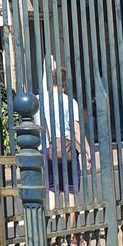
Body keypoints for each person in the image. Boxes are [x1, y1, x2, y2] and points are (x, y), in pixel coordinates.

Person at [41, 64, 89, 198]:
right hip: (66, 147)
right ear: (65, 84)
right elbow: (77, 130)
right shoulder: (70, 102)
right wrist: (87, 151)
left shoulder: (42, 100)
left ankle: (52, 218)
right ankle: (69, 218)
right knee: (71, 188)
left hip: (48, 148)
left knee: (51, 188)